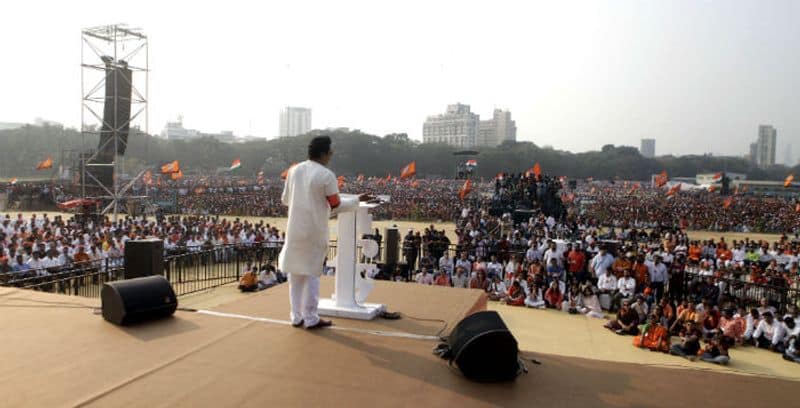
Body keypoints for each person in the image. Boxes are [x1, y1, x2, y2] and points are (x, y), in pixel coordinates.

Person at [279, 135, 367, 329]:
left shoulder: (294, 171)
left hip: (294, 229)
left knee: (295, 275)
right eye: (330, 152)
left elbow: (285, 199)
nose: (331, 155)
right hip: (314, 230)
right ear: (324, 153)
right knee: (312, 274)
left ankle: (296, 317)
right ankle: (310, 318)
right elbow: (335, 204)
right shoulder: (326, 175)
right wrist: (356, 200)